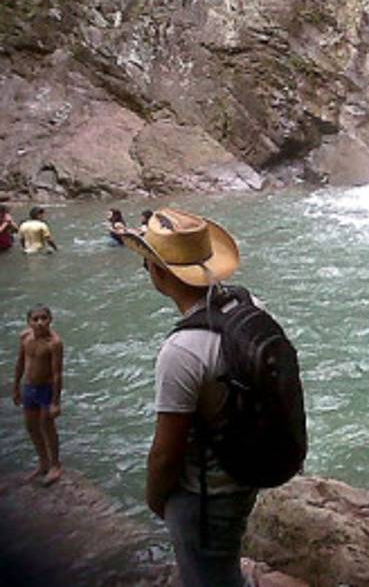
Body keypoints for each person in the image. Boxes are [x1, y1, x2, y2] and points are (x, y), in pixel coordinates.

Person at [119, 208, 256, 587]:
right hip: (248, 471)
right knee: (224, 567)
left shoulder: (182, 350)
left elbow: (166, 454)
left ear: (159, 273)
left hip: (205, 494)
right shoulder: (249, 305)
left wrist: (157, 500)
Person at [12, 305, 64, 486]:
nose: (40, 322)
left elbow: (57, 374)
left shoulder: (54, 343)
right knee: (31, 426)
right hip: (29, 387)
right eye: (35, 319)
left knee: (47, 426)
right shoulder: (25, 338)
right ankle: (43, 462)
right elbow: (20, 362)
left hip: (45, 388)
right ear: (29, 322)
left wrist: (56, 402)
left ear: (50, 320)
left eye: (44, 318)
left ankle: (55, 465)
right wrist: (16, 387)